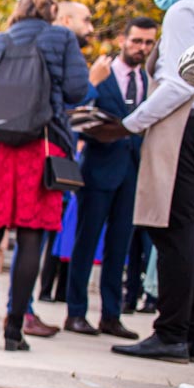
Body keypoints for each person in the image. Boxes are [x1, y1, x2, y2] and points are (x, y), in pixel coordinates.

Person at [98, 0, 194, 364]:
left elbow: (183, 83)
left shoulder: (187, 8)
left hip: (188, 124)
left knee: (170, 230)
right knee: (191, 231)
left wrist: (129, 124)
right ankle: (187, 335)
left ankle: (169, 333)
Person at [0, 0, 89, 350]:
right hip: (42, 145)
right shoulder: (62, 37)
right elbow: (77, 90)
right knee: (32, 237)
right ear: (52, 11)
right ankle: (14, 331)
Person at [64, 17, 158, 339]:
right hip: (98, 168)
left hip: (133, 172)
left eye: (148, 43)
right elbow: (75, 114)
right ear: (122, 40)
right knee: (86, 242)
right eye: (137, 42)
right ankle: (75, 312)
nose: (142, 48)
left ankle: (111, 315)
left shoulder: (151, 80)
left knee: (120, 246)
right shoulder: (100, 74)